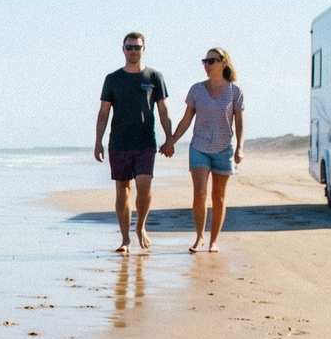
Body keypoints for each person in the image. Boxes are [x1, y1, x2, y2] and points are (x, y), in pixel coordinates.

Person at [94, 33, 172, 253]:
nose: (133, 51)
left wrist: (170, 138)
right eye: (129, 47)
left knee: (144, 185)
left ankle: (141, 226)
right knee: (122, 190)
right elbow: (103, 112)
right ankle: (125, 239)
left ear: (144, 49)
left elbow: (163, 109)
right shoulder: (112, 79)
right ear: (123, 50)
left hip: (145, 140)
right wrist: (98, 141)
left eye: (137, 47)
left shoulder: (154, 77)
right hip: (119, 141)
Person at [163, 47, 245, 252]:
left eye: (211, 61)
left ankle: (214, 240)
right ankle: (199, 236)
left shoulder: (235, 90)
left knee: (218, 197)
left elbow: (240, 122)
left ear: (223, 64)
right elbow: (186, 120)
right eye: (204, 61)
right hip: (199, 147)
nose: (206, 65)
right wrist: (171, 140)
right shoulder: (196, 90)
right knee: (199, 193)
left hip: (224, 148)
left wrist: (240, 148)